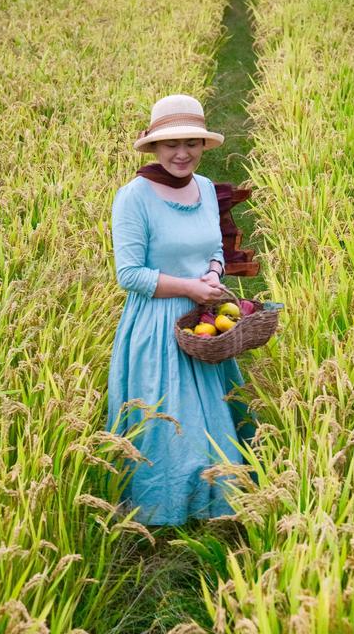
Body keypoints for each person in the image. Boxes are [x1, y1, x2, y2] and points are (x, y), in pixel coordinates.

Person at [105, 94, 255, 527]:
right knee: (170, 423)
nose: (182, 153)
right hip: (157, 326)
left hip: (204, 323)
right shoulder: (133, 198)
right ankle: (164, 508)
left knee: (213, 412)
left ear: (204, 146)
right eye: (172, 143)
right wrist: (191, 287)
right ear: (152, 146)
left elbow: (214, 247)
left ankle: (217, 500)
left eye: (192, 142)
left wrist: (211, 274)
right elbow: (130, 275)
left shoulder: (205, 188)